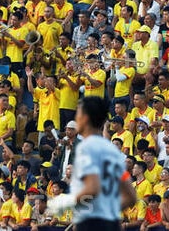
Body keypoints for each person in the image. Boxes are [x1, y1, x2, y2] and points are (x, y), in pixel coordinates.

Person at [46, 96, 137, 231]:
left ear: (85, 118)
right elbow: (131, 196)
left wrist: (65, 201)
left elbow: (92, 188)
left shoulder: (87, 147)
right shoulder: (111, 150)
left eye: (78, 115)